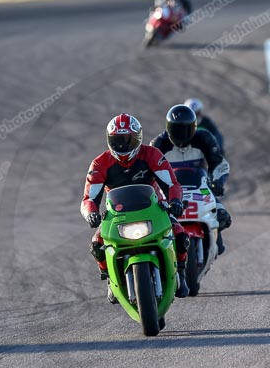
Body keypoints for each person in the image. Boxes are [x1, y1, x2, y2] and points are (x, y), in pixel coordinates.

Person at [81, 113, 190, 302]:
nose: (123, 146)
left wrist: (176, 202)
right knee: (96, 245)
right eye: (117, 140)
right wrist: (91, 214)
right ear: (109, 140)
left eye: (128, 140)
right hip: (116, 215)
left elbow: (172, 184)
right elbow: (88, 198)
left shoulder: (152, 154)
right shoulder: (99, 164)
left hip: (153, 208)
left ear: (138, 138)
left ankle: (180, 272)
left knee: (181, 235)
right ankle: (109, 279)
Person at [150, 104, 232, 255]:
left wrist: (217, 182)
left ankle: (214, 240)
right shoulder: (158, 144)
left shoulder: (204, 138)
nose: (181, 135)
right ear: (168, 128)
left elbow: (219, 163)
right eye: (177, 130)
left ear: (194, 127)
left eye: (186, 129)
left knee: (223, 217)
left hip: (200, 187)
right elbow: (149, 173)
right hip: (169, 192)